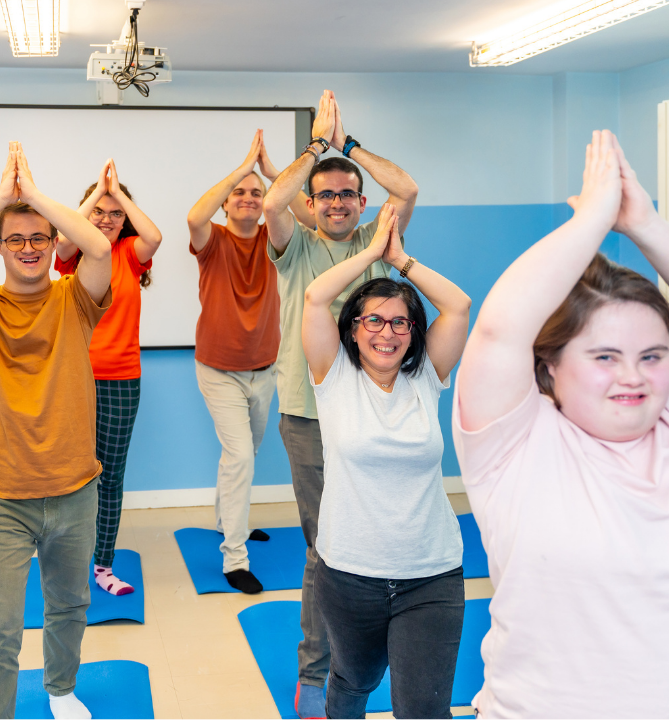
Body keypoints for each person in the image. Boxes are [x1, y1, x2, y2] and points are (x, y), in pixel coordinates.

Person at [452, 130, 669, 717]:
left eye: (653, 355)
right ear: (549, 364)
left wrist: (643, 223)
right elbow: (499, 330)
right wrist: (589, 224)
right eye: (604, 357)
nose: (634, 377)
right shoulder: (514, 442)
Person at [262, 89, 419, 718]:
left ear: (360, 202)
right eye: (323, 195)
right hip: (309, 414)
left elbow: (405, 190)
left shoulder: (380, 239)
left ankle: (378, 650)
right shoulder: (294, 245)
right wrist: (315, 148)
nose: (334, 203)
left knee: (382, 535)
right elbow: (274, 200)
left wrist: (346, 146)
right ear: (313, 204)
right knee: (324, 545)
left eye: (345, 194)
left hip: (381, 412)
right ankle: (315, 670)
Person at [303, 204, 471, 718]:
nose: (387, 331)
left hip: (432, 572)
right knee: (354, 680)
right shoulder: (333, 377)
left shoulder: (426, 378)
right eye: (373, 319)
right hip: (350, 571)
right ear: (353, 328)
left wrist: (401, 260)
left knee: (424, 708)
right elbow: (315, 297)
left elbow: (459, 306)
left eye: (400, 322)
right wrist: (372, 252)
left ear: (415, 332)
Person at [0, 143, 113, 720]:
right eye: (15, 239)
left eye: (40, 238)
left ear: (54, 243)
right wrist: (4, 198)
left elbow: (99, 245)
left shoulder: (75, 298)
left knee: (70, 605)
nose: (29, 248)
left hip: (75, 486)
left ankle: (60, 690)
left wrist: (35, 199)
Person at [186, 129, 317, 594]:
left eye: (255, 194)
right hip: (218, 369)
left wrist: (271, 174)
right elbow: (195, 214)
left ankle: (228, 519)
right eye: (239, 194)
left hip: (266, 368)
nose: (247, 197)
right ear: (227, 203)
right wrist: (242, 170)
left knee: (245, 453)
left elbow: (311, 214)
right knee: (240, 455)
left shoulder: (278, 239)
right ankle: (234, 557)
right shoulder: (213, 240)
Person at [50, 158, 162, 597]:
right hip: (72, 377)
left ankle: (102, 565)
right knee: (68, 473)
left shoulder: (130, 256)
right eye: (100, 212)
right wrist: (98, 194)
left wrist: (120, 200)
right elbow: (61, 240)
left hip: (121, 379)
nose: (108, 220)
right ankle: (64, 556)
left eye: (117, 213)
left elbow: (152, 235)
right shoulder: (74, 256)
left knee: (110, 476)